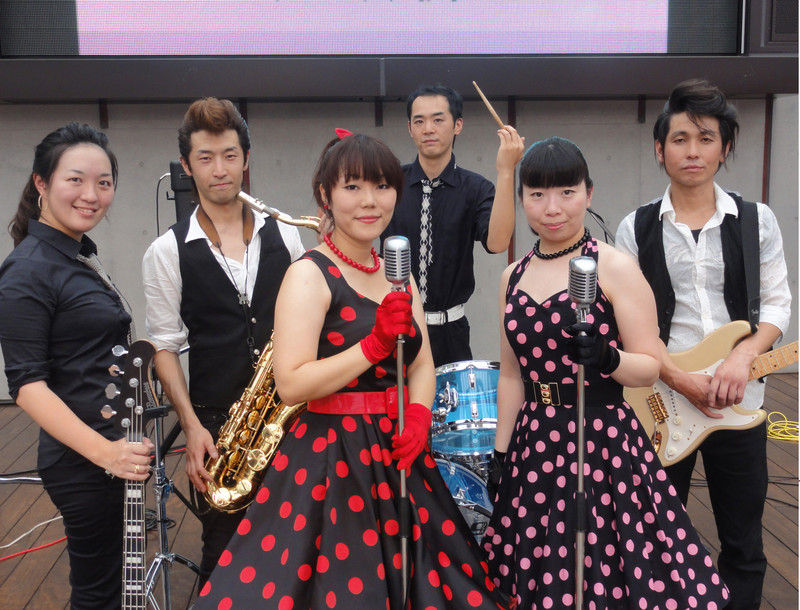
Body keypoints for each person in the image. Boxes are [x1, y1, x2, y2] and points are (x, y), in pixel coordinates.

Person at [196, 132, 510, 609]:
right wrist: (374, 345)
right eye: (353, 187)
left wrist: (419, 414)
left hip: (399, 449)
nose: (370, 201)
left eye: (382, 186)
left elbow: (422, 363)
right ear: (326, 195)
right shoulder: (309, 273)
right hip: (331, 457)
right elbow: (292, 382)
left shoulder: (398, 275)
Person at [482, 137, 730, 609]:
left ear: (588, 193)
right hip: (534, 443)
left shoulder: (615, 266)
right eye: (537, 194)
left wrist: (608, 357)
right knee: (538, 570)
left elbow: (649, 366)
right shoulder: (511, 276)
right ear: (523, 199)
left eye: (567, 192)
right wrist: (500, 451)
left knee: (607, 566)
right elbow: (512, 375)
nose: (552, 208)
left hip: (601, 441)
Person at [615, 79, 791, 609]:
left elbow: (777, 304)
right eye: (680, 139)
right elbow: (629, 324)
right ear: (659, 149)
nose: (693, 151)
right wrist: (677, 377)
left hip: (742, 401)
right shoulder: (635, 228)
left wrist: (743, 356)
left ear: (725, 147)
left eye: (706, 138)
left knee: (744, 542)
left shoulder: (757, 220)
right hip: (662, 403)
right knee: (655, 539)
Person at [141, 97, 305, 585]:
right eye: (206, 158)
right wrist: (191, 426)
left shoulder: (287, 235)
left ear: (246, 158)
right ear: (187, 165)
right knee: (225, 556)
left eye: (230, 155)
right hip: (217, 428)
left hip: (290, 414)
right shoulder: (166, 250)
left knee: (299, 547)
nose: (219, 170)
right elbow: (165, 348)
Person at [0, 123, 154, 609]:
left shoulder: (73, 255)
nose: (92, 195)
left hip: (112, 453)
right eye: (76, 180)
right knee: (98, 593)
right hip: (85, 462)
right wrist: (107, 455)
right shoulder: (28, 269)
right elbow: (27, 386)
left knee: (111, 584)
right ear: (41, 183)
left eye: (104, 183)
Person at [381, 84, 525, 367]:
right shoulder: (388, 183)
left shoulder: (476, 188)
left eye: (438, 120)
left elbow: (497, 242)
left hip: (451, 333)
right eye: (419, 121)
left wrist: (506, 170)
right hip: (393, 326)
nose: (428, 129)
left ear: (458, 125)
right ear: (409, 128)